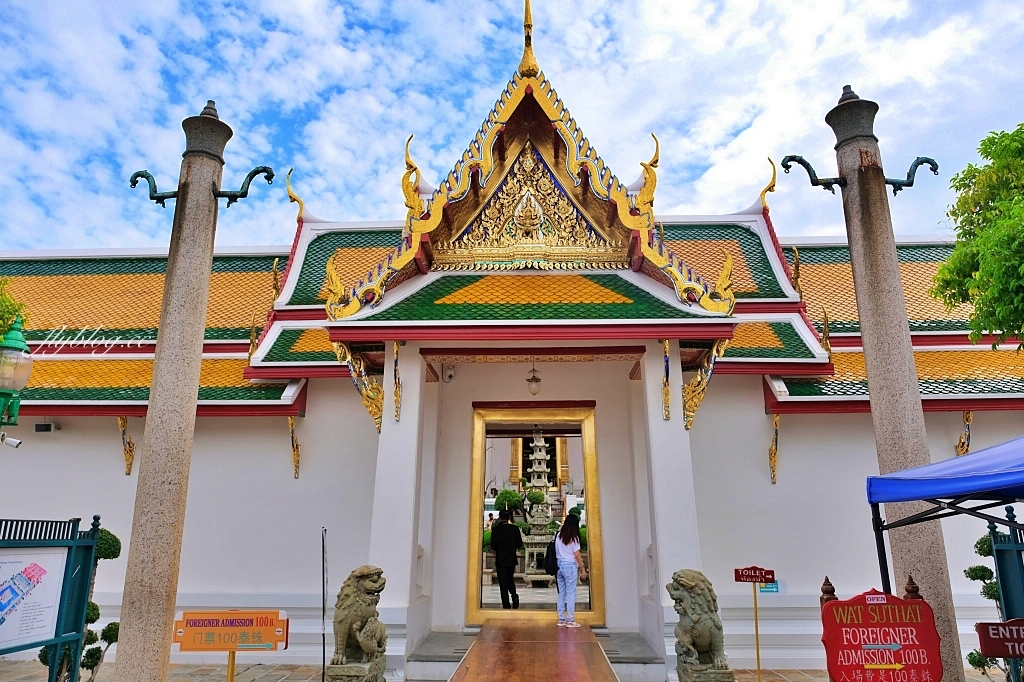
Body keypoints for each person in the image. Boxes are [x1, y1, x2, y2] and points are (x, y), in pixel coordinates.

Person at [555, 512, 587, 627]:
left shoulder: (558, 536)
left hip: (559, 566)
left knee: (561, 593)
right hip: (570, 566)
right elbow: (577, 554)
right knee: (571, 593)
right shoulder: (574, 537)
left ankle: (561, 619)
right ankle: (571, 620)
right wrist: (583, 568)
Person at [489, 509, 523, 609]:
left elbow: (494, 545)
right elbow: (519, 544)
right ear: (509, 518)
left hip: (501, 559)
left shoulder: (496, 530)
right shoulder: (515, 529)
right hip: (511, 558)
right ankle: (514, 595)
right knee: (510, 579)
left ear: (500, 517)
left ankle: (506, 604)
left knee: (503, 582)